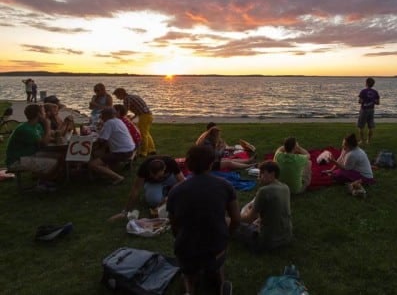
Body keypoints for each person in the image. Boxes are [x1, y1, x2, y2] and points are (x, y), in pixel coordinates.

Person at [167, 145, 239, 295]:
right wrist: (227, 236)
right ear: (211, 163)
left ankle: (189, 288)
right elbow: (236, 220)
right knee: (217, 263)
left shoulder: (175, 191)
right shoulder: (225, 186)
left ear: (188, 164)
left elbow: (174, 226)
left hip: (186, 248)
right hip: (215, 246)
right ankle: (220, 284)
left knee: (188, 273)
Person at [236, 161, 293, 252]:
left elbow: (248, 219)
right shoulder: (285, 188)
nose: (259, 178)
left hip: (266, 241)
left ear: (272, 174)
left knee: (232, 223)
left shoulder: (264, 191)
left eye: (262, 174)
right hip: (286, 237)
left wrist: (237, 216)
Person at [5, 104, 61, 190]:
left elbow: (47, 137)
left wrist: (56, 135)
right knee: (53, 162)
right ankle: (42, 184)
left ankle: (46, 179)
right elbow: (44, 143)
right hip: (17, 161)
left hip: (28, 155)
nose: (45, 114)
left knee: (59, 156)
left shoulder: (36, 126)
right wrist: (47, 126)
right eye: (43, 112)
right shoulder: (25, 129)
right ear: (39, 114)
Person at [88, 108, 136, 185]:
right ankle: (105, 172)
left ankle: (118, 177)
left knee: (93, 164)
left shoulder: (109, 123)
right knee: (99, 153)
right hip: (129, 149)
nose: (101, 117)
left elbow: (102, 140)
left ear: (106, 115)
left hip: (122, 152)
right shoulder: (118, 120)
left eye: (102, 115)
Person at [112, 88, 156, 157]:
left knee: (143, 134)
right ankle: (151, 149)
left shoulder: (126, 99)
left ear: (120, 94)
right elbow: (138, 110)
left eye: (117, 96)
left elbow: (124, 111)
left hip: (144, 116)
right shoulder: (133, 96)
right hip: (148, 115)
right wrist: (131, 118)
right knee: (146, 132)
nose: (117, 98)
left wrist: (121, 118)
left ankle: (143, 152)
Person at [357, 77, 380, 145]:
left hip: (364, 110)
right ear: (373, 84)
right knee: (370, 126)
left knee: (361, 126)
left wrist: (363, 101)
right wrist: (372, 101)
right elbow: (378, 103)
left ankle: (362, 140)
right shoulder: (375, 92)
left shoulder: (363, 91)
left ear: (366, 83)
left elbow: (360, 101)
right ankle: (368, 141)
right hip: (371, 110)